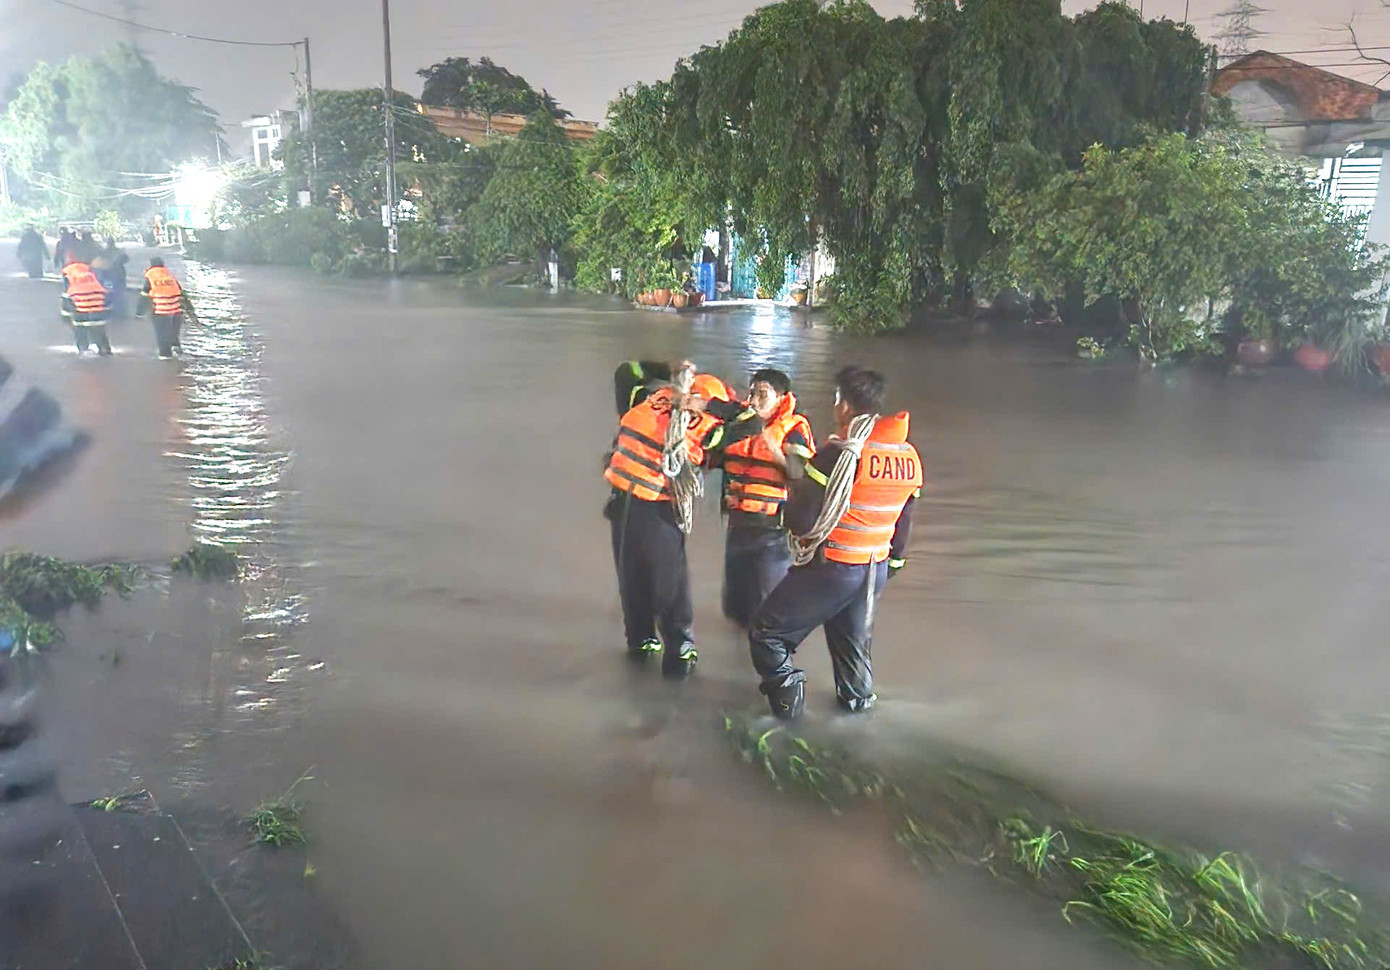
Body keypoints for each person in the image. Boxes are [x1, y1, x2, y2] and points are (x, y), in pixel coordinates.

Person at [748, 366, 922, 720]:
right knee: (852, 650)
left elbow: (801, 519)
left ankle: (788, 719)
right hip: (873, 571)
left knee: (767, 635)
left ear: (843, 405)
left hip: (832, 569)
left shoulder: (837, 454)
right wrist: (894, 565)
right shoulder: (907, 457)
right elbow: (903, 524)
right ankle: (857, 722)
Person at [604, 362, 761, 676]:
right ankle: (680, 648)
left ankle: (640, 639)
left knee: (631, 574)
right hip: (657, 508)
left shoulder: (645, 400)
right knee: (669, 581)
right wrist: (707, 406)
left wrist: (668, 368)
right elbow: (751, 423)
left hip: (622, 500)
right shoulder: (707, 427)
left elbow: (626, 370)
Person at [717, 368, 815, 627]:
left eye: (762, 395)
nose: (754, 401)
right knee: (735, 608)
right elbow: (717, 457)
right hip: (738, 524)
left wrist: (774, 450)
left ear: (782, 399)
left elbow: (798, 475)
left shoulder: (794, 429)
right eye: (751, 393)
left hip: (772, 531)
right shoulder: (740, 424)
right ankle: (736, 658)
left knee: (766, 607)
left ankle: (766, 656)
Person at [60, 255, 113, 356]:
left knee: (80, 333)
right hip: (98, 314)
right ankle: (105, 350)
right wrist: (107, 312)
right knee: (100, 333)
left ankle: (84, 350)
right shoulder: (95, 281)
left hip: (81, 315)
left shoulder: (72, 285)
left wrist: (65, 316)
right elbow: (106, 298)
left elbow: (67, 303)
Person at [140, 256, 184, 358]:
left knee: (161, 333)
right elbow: (180, 292)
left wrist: (139, 313)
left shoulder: (150, 276)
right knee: (173, 331)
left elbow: (144, 295)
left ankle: (165, 355)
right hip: (176, 310)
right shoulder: (169, 275)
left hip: (161, 310)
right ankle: (176, 348)